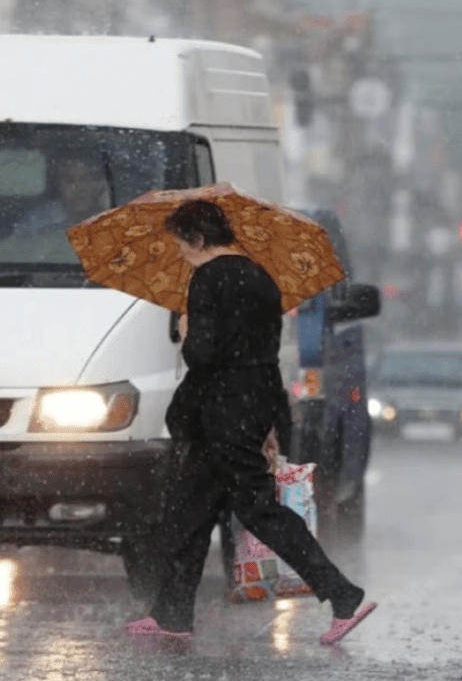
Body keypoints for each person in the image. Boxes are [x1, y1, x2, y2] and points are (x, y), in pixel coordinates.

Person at [124, 199, 376, 645]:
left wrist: (186, 332)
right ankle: (172, 615)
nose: (182, 254)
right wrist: (272, 422)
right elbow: (266, 354)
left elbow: (204, 355)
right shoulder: (263, 279)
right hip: (249, 404)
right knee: (191, 512)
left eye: (183, 245)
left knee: (258, 509)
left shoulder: (206, 278)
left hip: (221, 408)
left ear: (198, 238)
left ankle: (343, 596)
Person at [13, 154, 111, 235]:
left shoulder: (110, 218)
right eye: (70, 181)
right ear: (60, 187)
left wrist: (108, 205)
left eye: (85, 179)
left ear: (98, 184)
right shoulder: (36, 221)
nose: (80, 188)